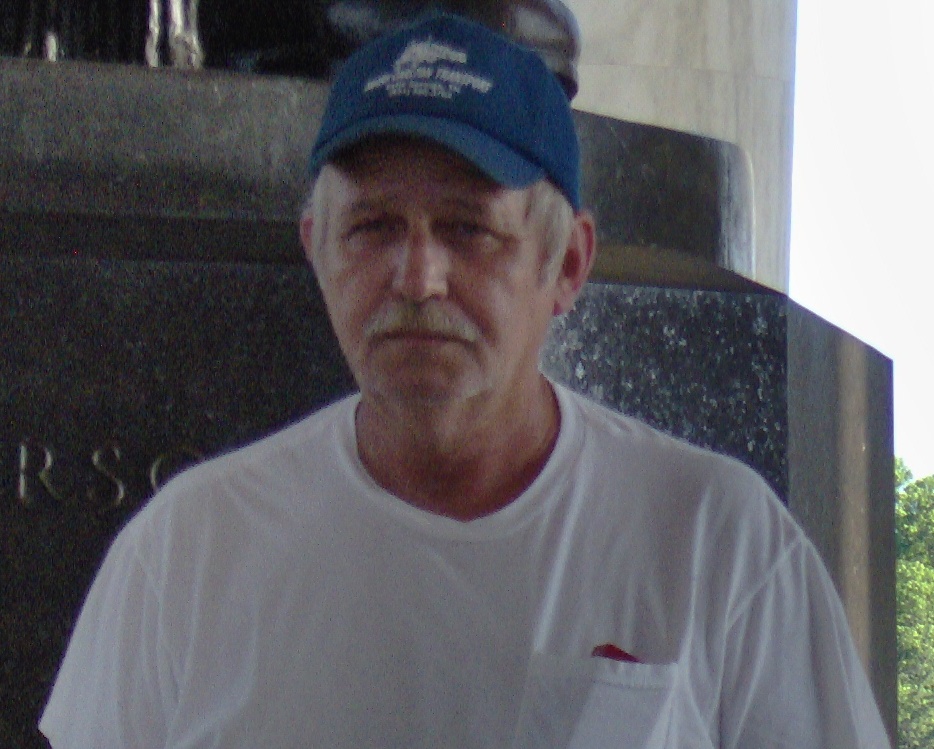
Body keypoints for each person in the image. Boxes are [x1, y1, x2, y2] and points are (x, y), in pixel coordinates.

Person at [40, 13, 891, 749]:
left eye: (468, 229)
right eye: (373, 226)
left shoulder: (719, 545)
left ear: (568, 264)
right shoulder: (184, 553)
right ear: (315, 247)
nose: (418, 277)